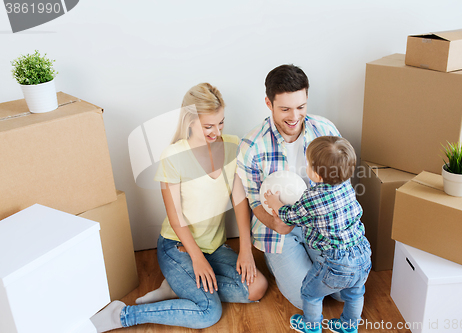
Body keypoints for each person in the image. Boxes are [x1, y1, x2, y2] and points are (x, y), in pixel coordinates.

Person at [91, 83, 268, 332]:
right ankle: (122, 315)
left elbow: (240, 201)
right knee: (209, 312)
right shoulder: (173, 156)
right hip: (178, 245)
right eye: (208, 126)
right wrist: (196, 258)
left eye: (221, 123)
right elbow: (176, 218)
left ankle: (179, 287)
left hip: (215, 246)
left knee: (257, 287)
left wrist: (246, 251)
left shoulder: (232, 145)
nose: (216, 131)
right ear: (190, 121)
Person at [236, 64, 342, 311]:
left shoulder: (325, 131)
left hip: (319, 223)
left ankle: (314, 265)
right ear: (268, 103)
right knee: (306, 299)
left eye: (301, 107)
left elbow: (340, 184)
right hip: (279, 231)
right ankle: (289, 263)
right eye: (284, 109)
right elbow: (252, 200)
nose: (294, 117)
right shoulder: (251, 146)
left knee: (344, 293)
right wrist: (275, 223)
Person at [264, 136, 371, 333]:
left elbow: (289, 215)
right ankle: (349, 326)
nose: (306, 166)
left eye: (308, 164)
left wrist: (274, 202)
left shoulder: (313, 199)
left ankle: (311, 325)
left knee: (310, 293)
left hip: (336, 261)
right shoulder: (346, 185)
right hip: (362, 254)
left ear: (318, 175)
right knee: (355, 294)